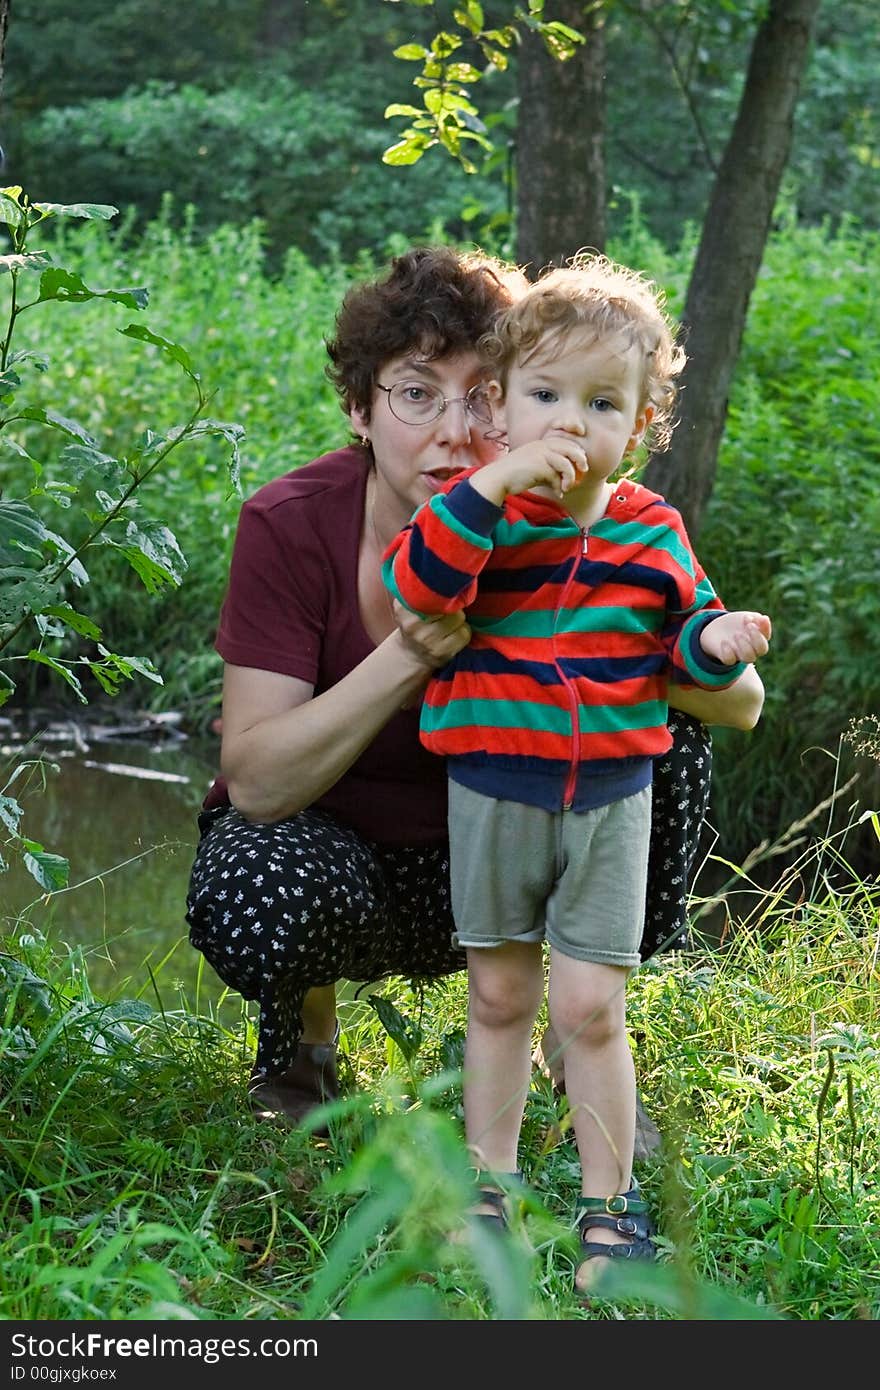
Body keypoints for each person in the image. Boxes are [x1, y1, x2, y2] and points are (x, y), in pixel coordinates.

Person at [184, 245, 765, 1150]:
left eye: (484, 395)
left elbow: (742, 703)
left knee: (670, 744)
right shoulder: (290, 524)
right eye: (416, 394)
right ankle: (302, 1045)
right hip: (359, 866)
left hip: (521, 834)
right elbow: (255, 784)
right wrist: (410, 653)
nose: (457, 431)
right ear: (359, 409)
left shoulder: (593, 522)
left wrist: (657, 652)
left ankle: (583, 1040)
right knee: (258, 879)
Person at [381, 252, 771, 1291]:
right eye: (545, 395)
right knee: (501, 994)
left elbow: (679, 644)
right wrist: (492, 484)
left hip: (608, 796)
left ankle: (610, 1209)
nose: (570, 421)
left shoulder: (651, 529)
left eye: (601, 403)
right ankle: (486, 1187)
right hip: (495, 786)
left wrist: (717, 643)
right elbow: (416, 584)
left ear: (638, 426)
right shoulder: (482, 509)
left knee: (592, 1006)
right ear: (501, 407)